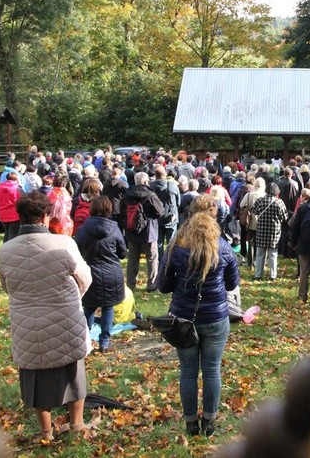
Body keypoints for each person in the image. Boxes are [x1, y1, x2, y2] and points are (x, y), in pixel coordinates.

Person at [0, 191, 92, 441]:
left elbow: (6, 285)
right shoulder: (64, 243)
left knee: (35, 374)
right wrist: (71, 296)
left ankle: (46, 431)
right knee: (72, 371)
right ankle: (77, 424)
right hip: (64, 313)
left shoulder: (6, 250)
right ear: (46, 215)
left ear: (19, 217)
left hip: (27, 317)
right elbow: (85, 279)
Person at [157, 195, 239, 437]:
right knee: (212, 369)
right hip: (215, 317)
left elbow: (163, 284)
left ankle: (191, 422)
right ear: (215, 215)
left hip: (184, 318)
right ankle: (209, 421)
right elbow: (232, 284)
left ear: (190, 213)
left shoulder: (177, 245)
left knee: (188, 371)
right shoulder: (223, 247)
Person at [75, 196, 126, 354]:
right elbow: (122, 252)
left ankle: (86, 339)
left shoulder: (82, 230)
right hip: (111, 273)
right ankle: (104, 341)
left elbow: (77, 250)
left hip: (90, 273)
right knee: (107, 307)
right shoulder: (115, 229)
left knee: (89, 307)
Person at [122, 171, 164, 292]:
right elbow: (160, 211)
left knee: (132, 258)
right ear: (146, 181)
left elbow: (122, 210)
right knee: (152, 258)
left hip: (132, 230)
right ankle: (152, 284)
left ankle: (130, 284)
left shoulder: (127, 194)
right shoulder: (151, 195)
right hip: (148, 231)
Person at [251, 183, 288, 280]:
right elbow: (285, 217)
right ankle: (273, 275)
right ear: (276, 191)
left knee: (259, 254)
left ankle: (258, 274)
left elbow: (253, 210)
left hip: (261, 230)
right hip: (274, 232)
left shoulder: (261, 200)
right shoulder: (279, 202)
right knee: (273, 254)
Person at [149, 165, 180, 256]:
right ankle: (170, 261)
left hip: (156, 217)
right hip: (171, 217)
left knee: (159, 242)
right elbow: (178, 202)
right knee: (172, 242)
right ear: (165, 174)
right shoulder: (172, 186)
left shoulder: (150, 186)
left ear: (155, 175)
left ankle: (160, 262)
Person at [0, 171, 23, 242]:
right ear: (16, 179)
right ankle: (10, 250)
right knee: (13, 233)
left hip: (2, 213)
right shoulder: (18, 189)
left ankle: (5, 248)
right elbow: (23, 201)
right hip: (14, 214)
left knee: (7, 232)